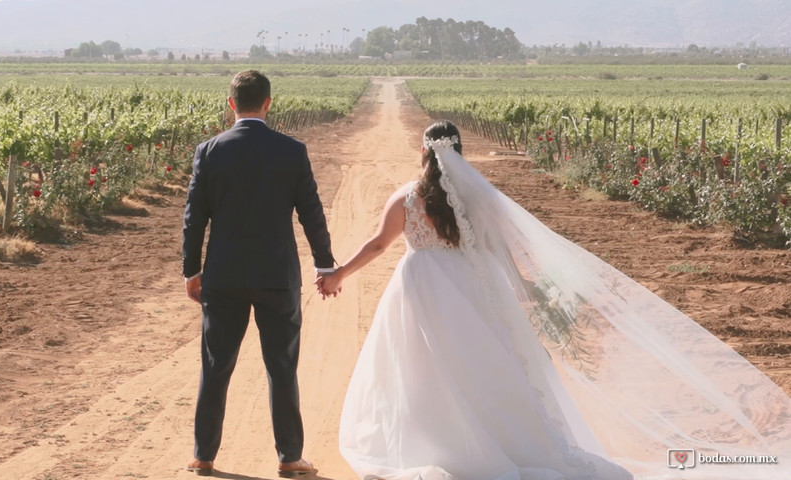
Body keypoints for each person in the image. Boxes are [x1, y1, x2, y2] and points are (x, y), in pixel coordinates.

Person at [318, 120, 791, 480]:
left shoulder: (406, 196)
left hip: (421, 285)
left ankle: (433, 445)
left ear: (423, 151)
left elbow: (380, 245)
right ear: (459, 153)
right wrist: (527, 291)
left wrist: (340, 273)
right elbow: (500, 251)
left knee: (420, 366)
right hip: (468, 285)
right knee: (482, 364)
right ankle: (497, 442)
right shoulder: (478, 198)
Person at [182, 70, 335, 477]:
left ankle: (203, 455)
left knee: (215, 366)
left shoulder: (209, 151)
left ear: (231, 103)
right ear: (268, 103)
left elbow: (194, 219)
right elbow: (311, 213)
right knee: (281, 367)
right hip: (276, 275)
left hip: (224, 275)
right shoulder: (291, 150)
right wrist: (325, 264)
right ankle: (289, 457)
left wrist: (191, 270)